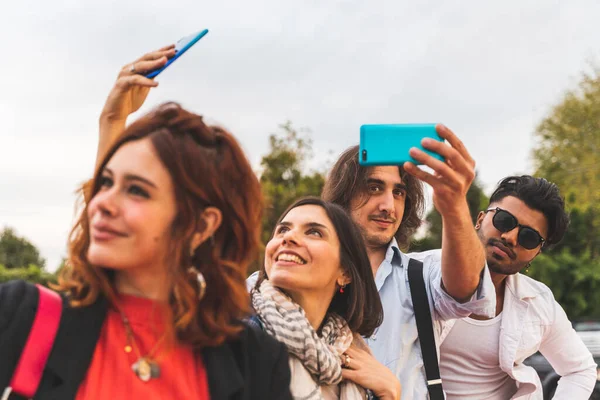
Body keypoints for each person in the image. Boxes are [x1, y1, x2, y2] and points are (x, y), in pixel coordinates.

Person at [0, 50, 292, 400]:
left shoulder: (254, 360)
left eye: (137, 191)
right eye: (105, 183)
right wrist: (111, 121)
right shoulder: (21, 317)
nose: (102, 203)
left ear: (202, 226)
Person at [248, 127, 496, 399]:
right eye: (374, 187)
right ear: (344, 194)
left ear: (345, 276)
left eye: (399, 192)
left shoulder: (422, 274)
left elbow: (468, 289)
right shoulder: (265, 287)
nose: (388, 205)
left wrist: (454, 205)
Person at [438, 175, 597, 399]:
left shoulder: (538, 302)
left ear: (536, 253)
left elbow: (580, 370)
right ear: (480, 218)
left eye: (529, 237)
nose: (510, 237)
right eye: (504, 220)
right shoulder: (415, 273)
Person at [251, 197, 401, 400]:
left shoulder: (356, 364)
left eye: (314, 232)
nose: (288, 238)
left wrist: (390, 394)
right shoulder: (236, 336)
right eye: (283, 230)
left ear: (345, 272)